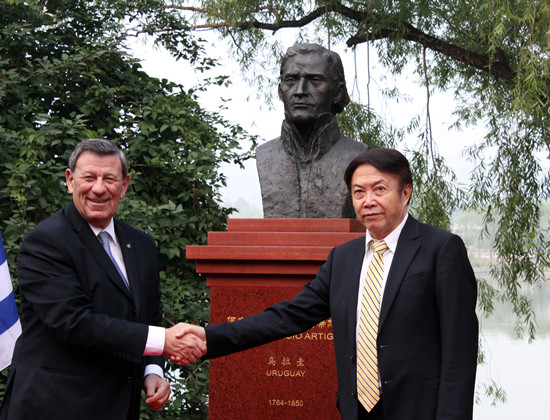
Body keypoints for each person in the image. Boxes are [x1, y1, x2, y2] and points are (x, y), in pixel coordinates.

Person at [182, 148, 479, 420]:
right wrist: (209, 337)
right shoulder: (343, 258)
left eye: (379, 189)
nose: (368, 201)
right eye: (359, 192)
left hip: (419, 410)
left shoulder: (441, 250)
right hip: (357, 410)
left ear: (405, 193)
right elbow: (288, 316)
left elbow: (459, 351)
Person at [0, 138, 206, 420]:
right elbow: (74, 322)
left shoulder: (141, 244)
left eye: (109, 179)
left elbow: (148, 316)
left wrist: (152, 371)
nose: (99, 188)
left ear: (124, 185)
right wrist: (164, 341)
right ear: (70, 180)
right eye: (89, 178)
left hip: (118, 407)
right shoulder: (46, 242)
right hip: (54, 407)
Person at [256, 43, 367, 218]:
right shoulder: (265, 154)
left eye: (315, 80)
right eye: (291, 80)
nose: (300, 91)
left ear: (337, 93)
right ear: (280, 91)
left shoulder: (356, 155)